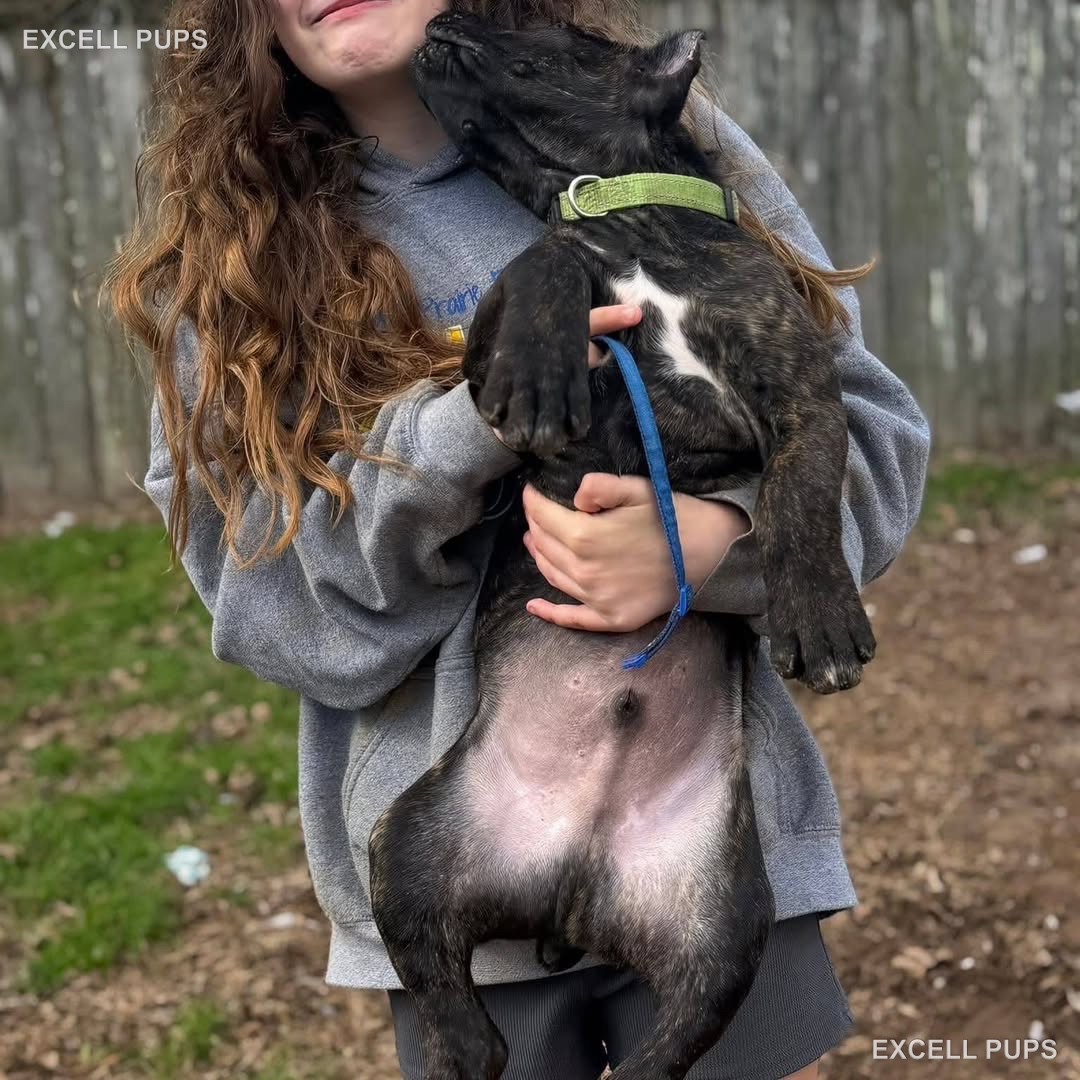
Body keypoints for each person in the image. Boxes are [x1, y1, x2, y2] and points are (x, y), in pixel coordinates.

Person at [103, 0, 930, 1076]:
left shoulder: (666, 147)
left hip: (714, 836)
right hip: (466, 878)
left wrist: (712, 546)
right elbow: (275, 614)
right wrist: (471, 423)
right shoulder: (228, 272)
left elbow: (868, 437)